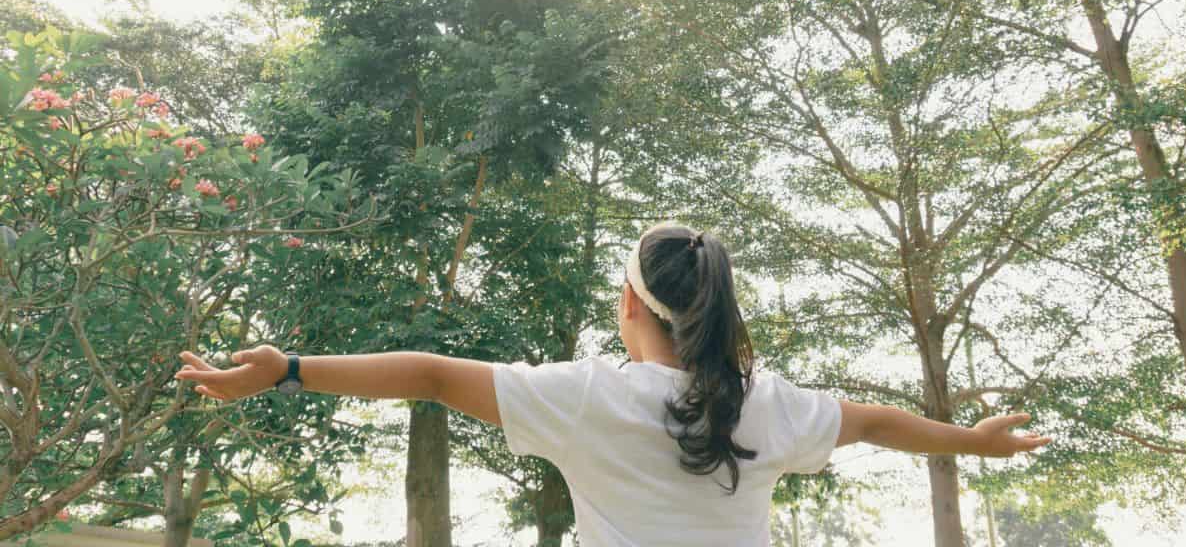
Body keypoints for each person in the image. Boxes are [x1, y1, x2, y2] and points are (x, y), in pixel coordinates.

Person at [174, 220, 1051, 545]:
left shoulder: (587, 395)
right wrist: (971, 441)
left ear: (630, 300)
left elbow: (433, 377)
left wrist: (288, 370)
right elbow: (878, 424)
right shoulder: (770, 403)